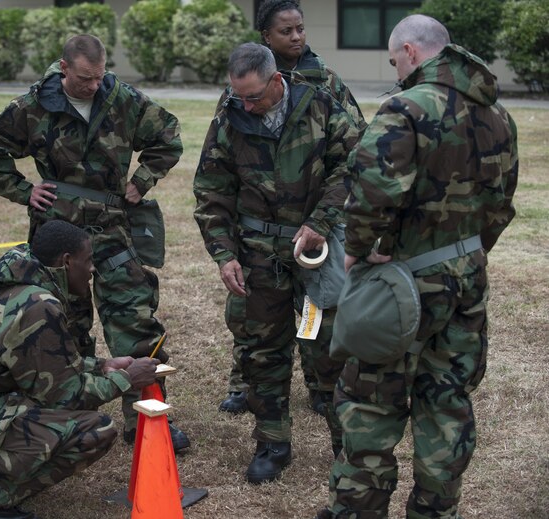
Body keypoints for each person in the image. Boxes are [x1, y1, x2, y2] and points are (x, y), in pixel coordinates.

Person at [317, 14, 518, 519]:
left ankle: (358, 510)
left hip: (400, 283)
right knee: (446, 398)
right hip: (467, 277)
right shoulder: (498, 116)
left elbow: (370, 193)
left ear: (410, 51)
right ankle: (436, 510)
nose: (396, 70)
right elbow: (501, 202)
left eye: (394, 60)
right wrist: (467, 253)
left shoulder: (404, 109)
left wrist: (361, 250)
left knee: (370, 398)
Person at [0, 34, 189, 452]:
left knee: (135, 320)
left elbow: (169, 136)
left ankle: (145, 415)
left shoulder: (121, 99)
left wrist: (140, 182)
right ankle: (69, 414)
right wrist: (22, 191)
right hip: (57, 232)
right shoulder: (33, 106)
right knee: (63, 326)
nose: (93, 86)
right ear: (64, 67)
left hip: (111, 228)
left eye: (100, 77)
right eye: (85, 79)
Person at [193, 42, 359, 484]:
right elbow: (210, 191)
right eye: (238, 95)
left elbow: (354, 167)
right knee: (263, 354)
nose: (245, 104)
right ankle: (272, 444)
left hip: (315, 254)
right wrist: (224, 254)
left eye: (253, 96)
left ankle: (348, 447)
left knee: (330, 353)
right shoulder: (230, 118)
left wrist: (323, 220)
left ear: (276, 79)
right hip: (257, 255)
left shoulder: (320, 106)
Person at [0, 220, 159, 519]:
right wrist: (126, 379)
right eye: (89, 260)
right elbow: (66, 397)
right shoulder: (41, 305)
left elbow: (41, 364)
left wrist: (103, 365)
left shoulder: (21, 289)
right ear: (67, 262)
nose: (93, 269)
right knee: (96, 429)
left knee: (30, 398)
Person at [219, 0, 367, 419]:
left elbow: (356, 147)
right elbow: (223, 159)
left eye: (300, 28)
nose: (297, 36)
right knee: (251, 316)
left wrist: (328, 214)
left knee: (321, 306)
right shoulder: (243, 80)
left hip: (311, 224)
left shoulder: (325, 83)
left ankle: (323, 386)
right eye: (286, 31)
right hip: (260, 230)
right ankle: (245, 383)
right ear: (267, 36)